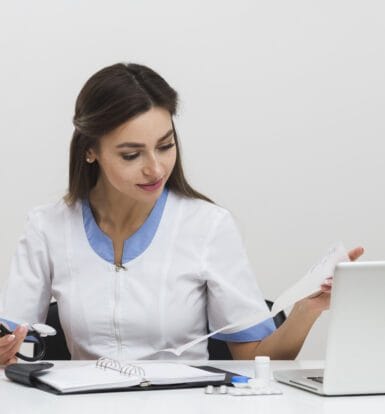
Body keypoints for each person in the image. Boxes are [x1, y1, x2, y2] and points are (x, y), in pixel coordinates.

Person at [0, 63, 363, 365]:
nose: (156, 169)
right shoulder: (47, 227)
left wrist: (307, 311)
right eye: (131, 155)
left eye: (165, 145)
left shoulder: (207, 226)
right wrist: (5, 352)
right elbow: (9, 344)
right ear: (91, 150)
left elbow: (256, 359)